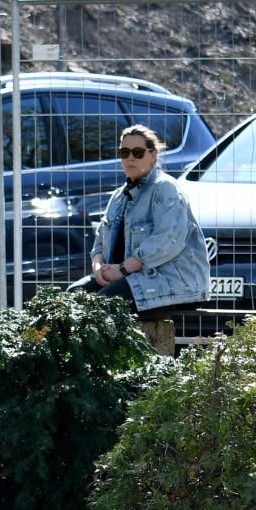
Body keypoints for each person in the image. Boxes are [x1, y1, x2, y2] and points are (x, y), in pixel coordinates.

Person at [78, 124, 207, 358]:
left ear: (153, 155)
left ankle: (109, 374)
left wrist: (123, 269)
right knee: (72, 297)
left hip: (168, 280)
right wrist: (99, 268)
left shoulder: (166, 189)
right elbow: (100, 242)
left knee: (105, 304)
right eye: (124, 152)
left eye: (138, 153)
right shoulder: (119, 196)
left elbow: (167, 241)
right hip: (124, 275)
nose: (130, 158)